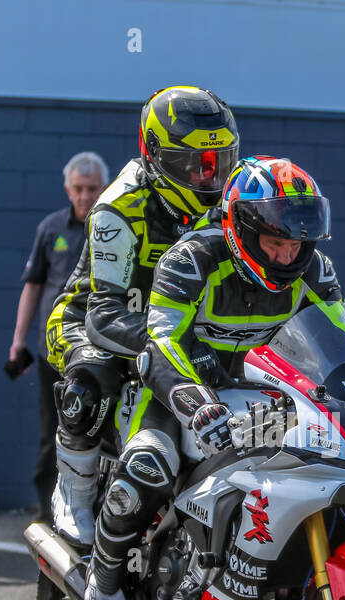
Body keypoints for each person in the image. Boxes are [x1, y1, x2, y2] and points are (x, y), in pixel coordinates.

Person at [82, 156, 340, 600]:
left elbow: (344, 340)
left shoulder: (313, 269)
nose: (288, 256)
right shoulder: (190, 258)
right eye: (276, 242)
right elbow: (160, 343)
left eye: (296, 244)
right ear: (241, 229)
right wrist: (196, 403)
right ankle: (104, 576)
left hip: (261, 397)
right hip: (171, 390)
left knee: (315, 463)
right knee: (148, 465)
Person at [44, 86, 238, 546]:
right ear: (153, 154)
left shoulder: (230, 202)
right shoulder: (117, 208)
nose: (206, 178)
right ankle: (75, 489)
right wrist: (182, 347)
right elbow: (104, 315)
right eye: (192, 164)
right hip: (94, 315)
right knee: (92, 376)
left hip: (181, 322)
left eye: (217, 162)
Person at [9, 151, 107, 522]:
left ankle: (92, 511)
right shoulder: (50, 229)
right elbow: (32, 287)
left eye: (93, 189)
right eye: (79, 189)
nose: (86, 197)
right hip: (55, 353)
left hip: (99, 353)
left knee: (95, 432)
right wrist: (18, 341)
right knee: (52, 432)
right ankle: (49, 513)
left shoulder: (114, 228)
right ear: (68, 190)